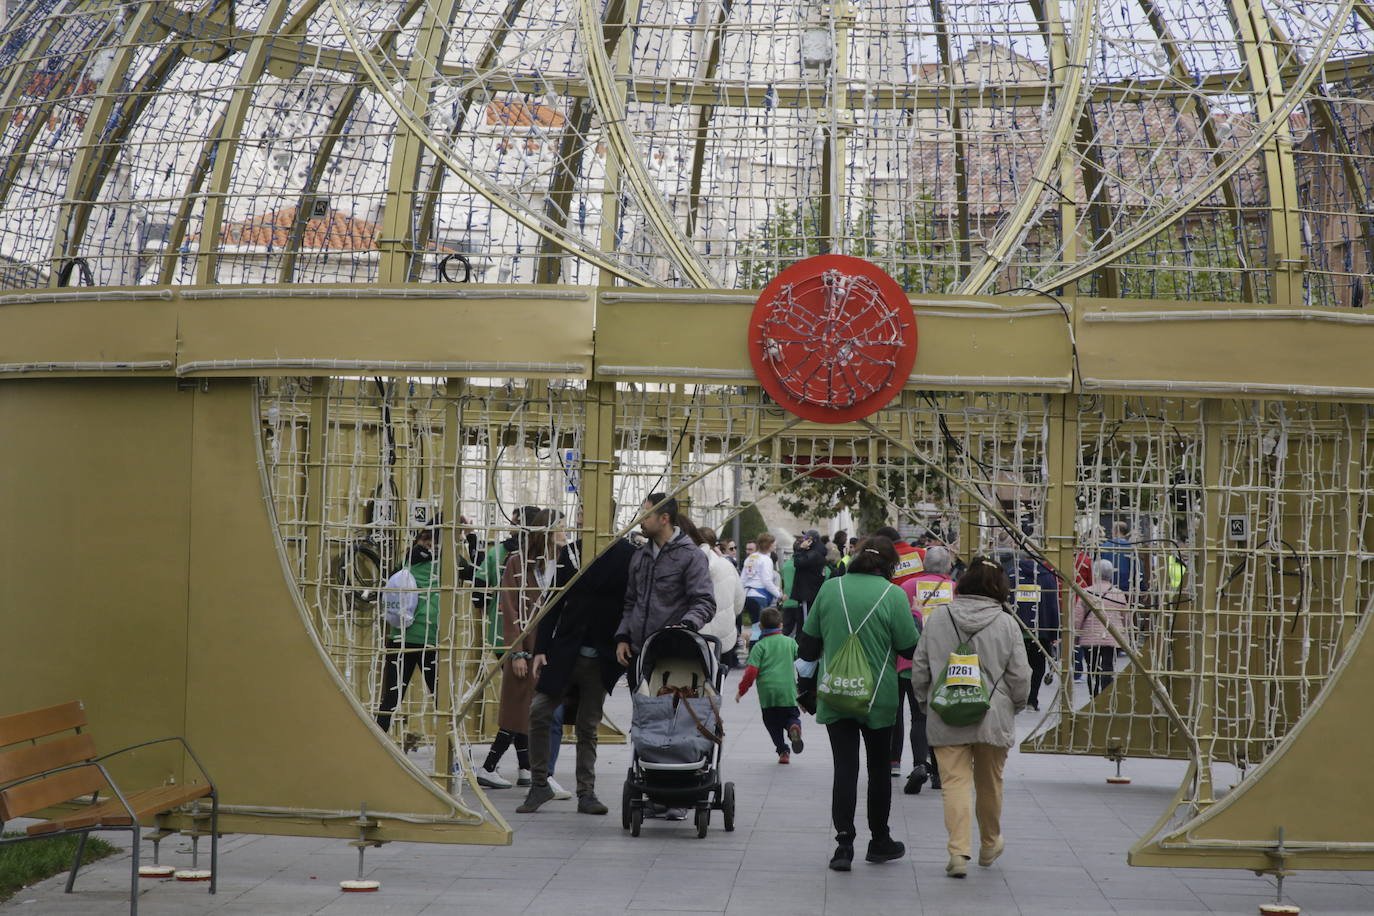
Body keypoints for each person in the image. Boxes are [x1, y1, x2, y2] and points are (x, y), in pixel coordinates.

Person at [797, 536, 919, 872]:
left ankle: (843, 844)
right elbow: (909, 648)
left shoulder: (830, 589)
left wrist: (804, 688)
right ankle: (879, 840)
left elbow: (808, 644)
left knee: (845, 768)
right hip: (879, 699)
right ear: (889, 565)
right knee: (879, 769)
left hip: (836, 694)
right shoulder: (893, 595)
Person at [911, 556, 1030, 879]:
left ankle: (958, 852)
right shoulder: (1007, 623)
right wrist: (1014, 705)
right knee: (990, 783)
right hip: (993, 714)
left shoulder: (937, 619)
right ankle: (990, 843)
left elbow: (920, 667)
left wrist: (926, 703)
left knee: (954, 783)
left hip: (946, 713)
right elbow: (1020, 675)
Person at [517, 509, 635, 815]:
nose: (579, 520)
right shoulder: (571, 552)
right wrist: (542, 647)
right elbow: (553, 602)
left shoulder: (627, 554)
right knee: (539, 711)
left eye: (584, 513)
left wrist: (625, 643)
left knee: (588, 725)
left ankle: (587, 792)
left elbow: (631, 604)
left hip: (601, 656)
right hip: (566, 651)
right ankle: (539, 784)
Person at [614, 494, 716, 821]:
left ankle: (680, 793)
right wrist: (623, 637)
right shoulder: (640, 556)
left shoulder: (690, 557)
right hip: (642, 655)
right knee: (649, 723)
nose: (638, 520)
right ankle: (654, 789)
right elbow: (630, 602)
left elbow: (704, 601)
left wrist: (686, 625)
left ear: (664, 519)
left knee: (678, 723)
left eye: (645, 514)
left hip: (676, 655)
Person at [475, 510, 558, 789]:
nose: (566, 533)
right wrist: (517, 652)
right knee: (521, 704)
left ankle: (526, 769)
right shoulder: (517, 561)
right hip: (524, 646)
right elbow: (509, 607)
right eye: (561, 528)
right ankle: (492, 766)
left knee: (527, 705)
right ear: (545, 531)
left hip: (546, 647)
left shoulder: (560, 562)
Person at [893, 545, 956, 793]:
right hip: (946, 662)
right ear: (948, 566)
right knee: (940, 715)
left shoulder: (906, 588)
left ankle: (920, 764)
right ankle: (939, 772)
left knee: (918, 716)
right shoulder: (955, 589)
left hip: (912, 661)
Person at [376, 526, 441, 733]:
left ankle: (377, 741)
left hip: (399, 636)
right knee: (441, 699)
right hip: (427, 637)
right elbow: (472, 573)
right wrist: (471, 537)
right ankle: (451, 749)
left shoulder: (404, 563)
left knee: (392, 697)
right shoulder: (442, 566)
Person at [735, 607, 803, 763]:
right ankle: (793, 726)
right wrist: (804, 686)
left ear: (760, 627)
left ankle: (783, 751)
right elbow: (802, 664)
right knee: (791, 716)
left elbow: (751, 671)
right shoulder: (790, 643)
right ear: (781, 625)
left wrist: (741, 691)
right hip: (788, 693)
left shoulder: (759, 646)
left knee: (773, 725)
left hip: (768, 696)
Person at [688, 522, 744, 668]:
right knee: (717, 681)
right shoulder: (727, 566)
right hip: (723, 637)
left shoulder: (689, 564)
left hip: (695, 632)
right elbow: (739, 602)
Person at [1074, 559, 1131, 697]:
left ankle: (1093, 695)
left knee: (1092, 668)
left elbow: (1078, 617)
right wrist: (1126, 636)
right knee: (1108, 667)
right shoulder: (1118, 593)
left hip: (1089, 636)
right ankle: (1106, 696)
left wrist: (1076, 635)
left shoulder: (1086, 592)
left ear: (1095, 573)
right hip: (1112, 637)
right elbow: (1126, 618)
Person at [1014, 556, 1061, 712]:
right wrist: (1054, 632)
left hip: (1016, 630)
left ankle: (1017, 698)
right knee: (1038, 666)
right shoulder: (1047, 576)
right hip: (1040, 630)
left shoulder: (1012, 574)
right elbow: (1053, 605)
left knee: (1016, 665)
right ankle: (1032, 700)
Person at [786, 530, 828, 637]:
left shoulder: (814, 554)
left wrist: (800, 549)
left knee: (805, 622)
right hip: (809, 593)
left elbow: (798, 562)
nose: (803, 541)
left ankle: (805, 644)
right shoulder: (815, 553)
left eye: (806, 539)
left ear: (811, 541)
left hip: (807, 593)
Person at [740, 533, 779, 631]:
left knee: (755, 626)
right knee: (761, 628)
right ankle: (758, 645)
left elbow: (742, 580)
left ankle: (754, 644)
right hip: (760, 597)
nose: (774, 547)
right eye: (773, 544)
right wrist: (779, 594)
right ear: (769, 545)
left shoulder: (750, 558)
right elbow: (767, 581)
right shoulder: (766, 560)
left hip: (748, 595)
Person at [1100, 521, 1142, 600]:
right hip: (1126, 589)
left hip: (1105, 588)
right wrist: (1142, 588)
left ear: (1115, 531)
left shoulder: (1104, 546)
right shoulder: (1131, 548)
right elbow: (1138, 570)